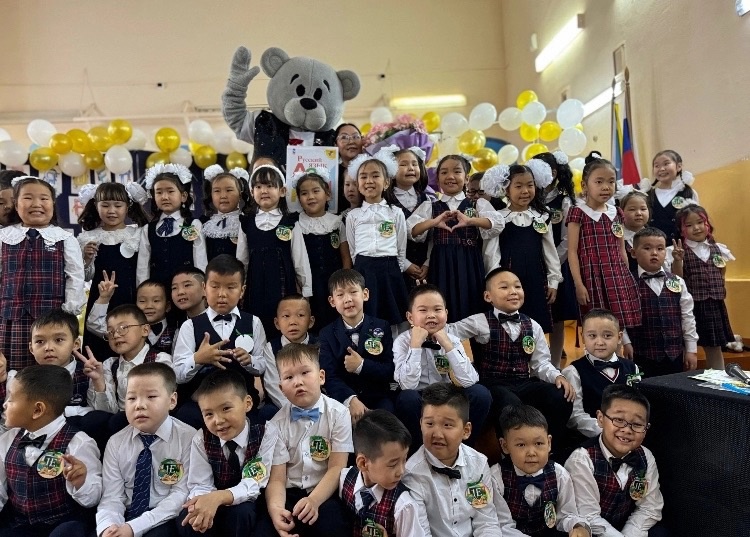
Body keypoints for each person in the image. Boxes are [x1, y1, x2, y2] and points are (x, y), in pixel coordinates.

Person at [448, 268, 574, 449]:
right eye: (504, 287)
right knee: (510, 404)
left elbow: (540, 362)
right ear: (488, 296)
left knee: (560, 395)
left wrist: (557, 376)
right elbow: (450, 332)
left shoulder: (533, 325)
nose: (513, 291)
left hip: (523, 382)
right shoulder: (479, 321)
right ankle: (508, 450)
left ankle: (550, 447)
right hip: (493, 384)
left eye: (517, 287)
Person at [258, 343, 352, 537]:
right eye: (289, 377)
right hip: (289, 492)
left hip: (324, 490)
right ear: (281, 388)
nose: (298, 382)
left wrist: (314, 500)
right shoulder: (275, 424)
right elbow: (277, 479)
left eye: (305, 373)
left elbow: (337, 467)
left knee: (332, 524)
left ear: (321, 377)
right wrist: (276, 509)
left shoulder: (340, 414)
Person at [0, 365, 102, 537]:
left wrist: (80, 482)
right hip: (19, 525)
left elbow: (93, 499)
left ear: (37, 410)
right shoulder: (7, 440)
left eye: (11, 399)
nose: (5, 404)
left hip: (62, 524)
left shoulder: (78, 443)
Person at [96, 362, 196, 537]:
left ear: (172, 400)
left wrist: (134, 527)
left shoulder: (188, 438)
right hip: (125, 517)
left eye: (151, 397)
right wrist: (109, 527)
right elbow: (112, 497)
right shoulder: (116, 442)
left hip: (164, 517)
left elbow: (180, 494)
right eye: (131, 398)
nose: (139, 405)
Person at [0, 176, 85, 371]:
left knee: (50, 372)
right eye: (28, 198)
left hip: (52, 320)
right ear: (16, 204)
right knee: (15, 373)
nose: (36, 204)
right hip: (10, 318)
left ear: (53, 204)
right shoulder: (4, 237)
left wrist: (69, 311)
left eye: (44, 198)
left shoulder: (65, 238)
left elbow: (75, 277)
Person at [172, 255, 266, 429]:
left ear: (242, 291)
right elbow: (177, 374)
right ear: (204, 288)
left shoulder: (253, 322)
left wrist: (250, 361)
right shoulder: (190, 326)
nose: (222, 294)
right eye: (215, 286)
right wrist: (198, 359)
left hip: (242, 403)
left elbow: (262, 365)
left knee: (257, 426)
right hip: (200, 407)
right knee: (184, 418)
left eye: (231, 287)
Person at [408, 154, 504, 323]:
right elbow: (411, 231)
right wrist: (433, 222)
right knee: (442, 305)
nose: (450, 176)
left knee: (472, 306)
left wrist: (471, 221)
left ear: (466, 178)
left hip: (469, 262)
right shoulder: (430, 206)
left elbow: (497, 224)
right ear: (438, 179)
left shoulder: (477, 204)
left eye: (457, 171)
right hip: (440, 263)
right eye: (444, 172)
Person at [393, 284, 491, 450]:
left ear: (446, 313)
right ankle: (420, 451)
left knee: (480, 394)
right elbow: (407, 385)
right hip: (419, 395)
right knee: (407, 399)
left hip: (446, 393)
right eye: (423, 310)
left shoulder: (452, 339)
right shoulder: (402, 341)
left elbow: (470, 380)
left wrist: (447, 345)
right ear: (410, 317)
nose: (431, 315)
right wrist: (415, 346)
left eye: (437, 309)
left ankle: (461, 448)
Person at [178, 370, 275, 537]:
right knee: (189, 517)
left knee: (242, 512)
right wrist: (202, 504)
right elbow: (200, 484)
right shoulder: (201, 439)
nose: (218, 420)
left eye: (226, 408)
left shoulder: (265, 432)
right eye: (209, 414)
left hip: (249, 501)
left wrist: (219, 497)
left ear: (247, 403)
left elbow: (255, 482)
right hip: (214, 499)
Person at [402, 382, 502, 537]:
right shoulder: (412, 474)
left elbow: (486, 521)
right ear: (421, 424)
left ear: (466, 430)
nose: (437, 434)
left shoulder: (478, 464)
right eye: (429, 424)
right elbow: (420, 533)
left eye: (447, 425)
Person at [564, 385, 665, 536]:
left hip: (627, 528)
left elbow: (650, 507)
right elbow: (588, 516)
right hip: (592, 530)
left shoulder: (645, 456)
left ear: (646, 428)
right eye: (618, 420)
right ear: (600, 419)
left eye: (637, 424)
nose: (627, 429)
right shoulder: (581, 460)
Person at [0, 309, 110, 447]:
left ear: (76, 344)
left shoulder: (89, 374)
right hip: (32, 445)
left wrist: (98, 382)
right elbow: (10, 422)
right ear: (31, 348)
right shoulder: (23, 380)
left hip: (79, 445)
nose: (48, 347)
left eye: (58, 340)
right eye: (40, 341)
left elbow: (104, 416)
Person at [483, 161, 563, 334]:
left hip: (536, 280)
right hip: (509, 283)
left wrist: (553, 282)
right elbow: (492, 255)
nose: (525, 191)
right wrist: (495, 284)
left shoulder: (542, 217)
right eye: (518, 186)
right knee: (510, 327)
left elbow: (550, 253)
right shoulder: (498, 219)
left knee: (537, 327)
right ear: (506, 189)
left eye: (530, 185)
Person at [566, 152, 641, 329]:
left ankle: (620, 348)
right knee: (597, 323)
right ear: (585, 185)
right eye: (599, 182)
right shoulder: (578, 212)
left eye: (611, 181)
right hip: (592, 277)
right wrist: (579, 284)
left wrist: (626, 276)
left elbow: (621, 249)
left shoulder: (617, 212)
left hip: (617, 274)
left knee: (619, 324)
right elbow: (572, 252)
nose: (606, 187)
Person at [236, 164, 312, 339]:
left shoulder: (290, 222)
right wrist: (240, 288)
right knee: (256, 327)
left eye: (270, 186)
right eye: (258, 186)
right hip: (255, 286)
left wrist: (306, 291)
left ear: (282, 191)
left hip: (283, 286)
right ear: (252, 192)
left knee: (283, 326)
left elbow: (300, 259)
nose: (264, 191)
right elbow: (242, 261)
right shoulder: (246, 223)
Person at [78, 182, 150, 361]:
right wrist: (86, 259)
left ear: (128, 207)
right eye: (105, 205)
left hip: (130, 298)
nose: (111, 211)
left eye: (118, 205)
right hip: (100, 300)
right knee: (100, 352)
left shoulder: (138, 234)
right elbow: (85, 276)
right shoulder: (88, 237)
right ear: (96, 206)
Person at [493, 405, 590, 537]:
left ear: (549, 443)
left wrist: (576, 526)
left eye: (538, 443)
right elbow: (502, 526)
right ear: (505, 446)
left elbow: (566, 514)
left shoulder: (559, 474)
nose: (531, 453)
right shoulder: (496, 477)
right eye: (521, 445)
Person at [80, 304, 172, 436]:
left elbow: (163, 404)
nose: (116, 335)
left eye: (123, 328)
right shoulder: (109, 365)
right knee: (94, 420)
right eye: (110, 331)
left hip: (152, 423)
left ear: (145, 330)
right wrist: (98, 380)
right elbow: (105, 413)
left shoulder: (160, 360)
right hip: (117, 426)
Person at [319, 269, 395, 423]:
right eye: (340, 295)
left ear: (365, 294)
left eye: (353, 292)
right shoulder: (326, 334)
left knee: (386, 420)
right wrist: (350, 399)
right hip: (343, 401)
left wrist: (361, 365)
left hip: (378, 398)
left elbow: (389, 369)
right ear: (332, 301)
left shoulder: (382, 326)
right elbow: (329, 376)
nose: (348, 299)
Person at [345, 147, 410, 328]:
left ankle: (394, 345)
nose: (369, 181)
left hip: (390, 269)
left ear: (387, 182)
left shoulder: (395, 213)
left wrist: (394, 269)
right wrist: (361, 266)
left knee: (393, 316)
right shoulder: (353, 216)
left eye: (375, 176)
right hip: (363, 270)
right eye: (363, 177)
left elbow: (401, 247)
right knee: (368, 314)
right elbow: (352, 249)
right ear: (358, 183)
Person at [339, 409, 429, 537]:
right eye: (392, 464)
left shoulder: (403, 505)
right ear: (363, 463)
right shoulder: (344, 479)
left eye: (404, 460)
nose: (401, 471)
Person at [623, 228, 698, 376]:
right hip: (640, 354)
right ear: (633, 253)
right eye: (647, 248)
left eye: (660, 248)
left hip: (674, 354)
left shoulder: (677, 281)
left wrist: (691, 349)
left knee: (673, 388)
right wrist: (626, 342)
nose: (654, 253)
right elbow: (620, 317)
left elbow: (687, 317)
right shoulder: (626, 283)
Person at [668, 205, 734, 369]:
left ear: (707, 224)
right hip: (690, 306)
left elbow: (721, 273)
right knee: (686, 346)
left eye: (700, 222)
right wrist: (678, 260)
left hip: (713, 304)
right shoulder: (678, 251)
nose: (696, 228)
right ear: (681, 229)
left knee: (714, 346)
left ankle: (718, 377)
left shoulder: (718, 248)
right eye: (689, 225)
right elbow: (678, 278)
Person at [562, 309, 640, 439]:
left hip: (629, 435)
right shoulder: (573, 372)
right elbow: (575, 416)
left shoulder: (632, 367)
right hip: (592, 439)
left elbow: (638, 405)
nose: (599, 342)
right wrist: (608, 431)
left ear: (619, 337)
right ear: (583, 337)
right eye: (592, 336)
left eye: (607, 336)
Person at [532, 151, 577, 367]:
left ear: (554, 172)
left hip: (558, 265)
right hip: (533, 265)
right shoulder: (531, 197)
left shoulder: (564, 200)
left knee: (557, 317)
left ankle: (555, 362)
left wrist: (552, 262)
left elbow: (568, 239)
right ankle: (536, 363)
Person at [137, 162, 207, 288]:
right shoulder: (148, 229)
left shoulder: (193, 225)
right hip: (157, 292)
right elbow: (143, 266)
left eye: (170, 191)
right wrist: (143, 290)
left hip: (186, 290)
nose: (164, 197)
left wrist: (201, 289)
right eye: (159, 192)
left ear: (183, 196)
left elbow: (200, 260)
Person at [295, 171, 350, 329]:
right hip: (308, 284)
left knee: (334, 318)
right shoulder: (296, 223)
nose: (310, 197)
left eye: (316, 191)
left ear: (327, 195)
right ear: (299, 199)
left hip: (333, 283)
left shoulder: (337, 222)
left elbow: (345, 257)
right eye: (304, 193)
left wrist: (344, 283)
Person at [259, 294, 317, 421]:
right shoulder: (271, 348)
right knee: (267, 412)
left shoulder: (319, 345)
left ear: (311, 321)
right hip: (283, 404)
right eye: (286, 316)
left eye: (300, 315)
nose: (293, 322)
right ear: (277, 323)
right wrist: (297, 411)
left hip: (315, 403)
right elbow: (273, 385)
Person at [88, 277, 176, 355]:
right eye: (142, 301)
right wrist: (104, 298)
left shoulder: (177, 332)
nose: (149, 306)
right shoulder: (123, 329)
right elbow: (94, 324)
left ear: (167, 306)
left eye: (156, 301)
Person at [386, 147, 432, 291]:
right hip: (396, 266)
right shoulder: (386, 201)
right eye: (403, 164)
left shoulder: (427, 199)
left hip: (424, 265)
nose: (410, 168)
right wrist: (405, 265)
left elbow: (432, 235)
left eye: (414, 164)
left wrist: (428, 263)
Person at [200, 164, 251, 261]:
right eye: (217, 191)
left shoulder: (246, 222)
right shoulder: (204, 224)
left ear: (240, 195)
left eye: (229, 190)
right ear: (211, 195)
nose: (223, 196)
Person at [646, 150, 699, 242]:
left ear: (679, 167)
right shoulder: (648, 195)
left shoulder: (688, 193)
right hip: (654, 247)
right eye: (657, 166)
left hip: (683, 246)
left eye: (666, 164)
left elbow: (697, 220)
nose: (661, 169)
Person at [335, 123, 364, 213]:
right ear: (335, 144)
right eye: (344, 137)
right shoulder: (331, 172)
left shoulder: (371, 169)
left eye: (355, 137)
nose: (351, 141)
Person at [619, 191, 650, 274]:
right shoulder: (617, 237)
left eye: (643, 209)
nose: (639, 213)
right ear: (621, 212)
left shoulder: (654, 236)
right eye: (632, 209)